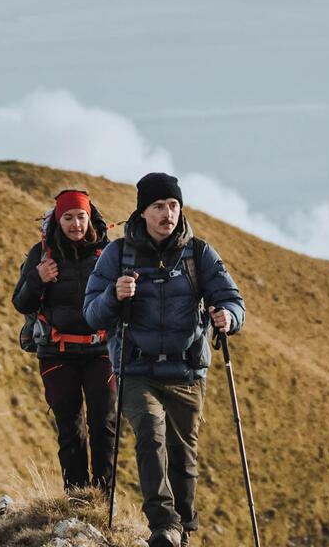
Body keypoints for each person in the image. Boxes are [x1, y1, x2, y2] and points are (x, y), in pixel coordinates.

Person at [84, 172, 245, 547]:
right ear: (142, 212)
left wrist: (229, 318)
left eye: (173, 206)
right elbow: (92, 313)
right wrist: (114, 295)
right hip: (137, 369)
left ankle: (182, 528)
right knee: (150, 435)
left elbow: (233, 299)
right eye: (159, 206)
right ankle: (163, 524)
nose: (167, 214)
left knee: (183, 454)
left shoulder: (200, 253)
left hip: (186, 370)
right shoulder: (118, 254)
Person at [12, 189, 118, 496]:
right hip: (56, 354)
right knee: (70, 429)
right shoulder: (41, 254)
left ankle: (102, 497)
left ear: (90, 218)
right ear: (58, 220)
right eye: (68, 217)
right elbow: (20, 302)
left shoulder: (108, 253)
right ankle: (76, 496)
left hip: (101, 351)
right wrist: (37, 278)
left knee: (104, 424)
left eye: (81, 217)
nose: (75, 224)